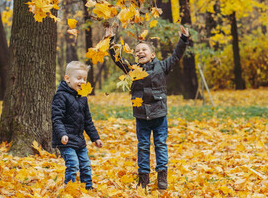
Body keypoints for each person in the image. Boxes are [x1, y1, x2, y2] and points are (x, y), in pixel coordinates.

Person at [108, 25, 190, 190]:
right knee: (143, 146)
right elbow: (117, 59)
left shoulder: (162, 66)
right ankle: (143, 178)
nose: (140, 52)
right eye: (137, 51)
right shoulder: (133, 69)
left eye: (144, 49)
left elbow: (176, 56)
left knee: (160, 144)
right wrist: (110, 41)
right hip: (141, 116)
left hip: (159, 115)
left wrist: (183, 39)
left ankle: (162, 176)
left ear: (152, 54)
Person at [51, 61, 103, 190]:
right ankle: (70, 188)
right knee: (73, 164)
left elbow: (88, 121)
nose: (82, 81)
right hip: (66, 140)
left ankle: (88, 188)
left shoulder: (82, 97)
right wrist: (62, 134)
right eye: (78, 78)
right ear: (67, 79)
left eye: (84, 79)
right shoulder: (61, 96)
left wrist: (95, 138)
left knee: (85, 165)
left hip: (79, 140)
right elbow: (57, 118)